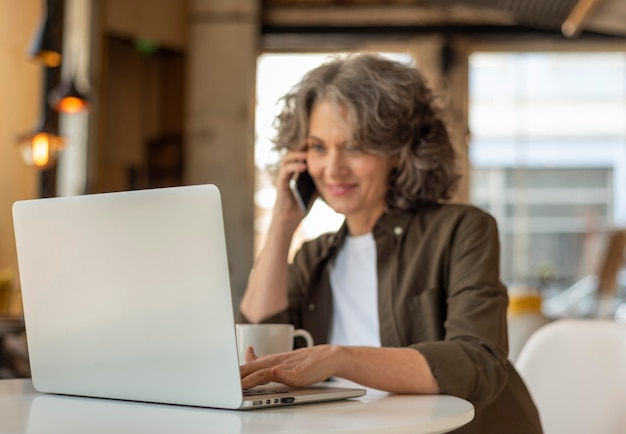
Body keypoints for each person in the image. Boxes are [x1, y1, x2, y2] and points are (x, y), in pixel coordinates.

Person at [238, 53, 542, 433]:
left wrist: (339, 358)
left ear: (397, 152)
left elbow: (475, 363)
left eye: (354, 146)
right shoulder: (315, 256)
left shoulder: (463, 229)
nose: (333, 168)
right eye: (317, 147)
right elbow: (259, 340)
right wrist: (283, 225)